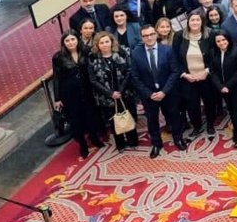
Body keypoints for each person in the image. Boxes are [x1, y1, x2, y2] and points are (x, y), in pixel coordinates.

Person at [129, 25, 188, 158]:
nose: (149, 38)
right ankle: (156, 143)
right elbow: (135, 77)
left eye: (151, 34)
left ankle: (178, 138)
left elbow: (174, 71)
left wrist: (164, 91)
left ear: (156, 35)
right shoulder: (136, 53)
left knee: (174, 116)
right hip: (149, 95)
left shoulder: (167, 50)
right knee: (152, 120)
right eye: (145, 36)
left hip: (168, 92)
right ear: (141, 37)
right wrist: (149, 94)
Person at [52, 30, 102, 158]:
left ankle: (94, 137)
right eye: (67, 40)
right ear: (63, 43)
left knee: (91, 115)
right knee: (76, 119)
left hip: (87, 89)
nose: (70, 43)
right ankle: (83, 145)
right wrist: (57, 98)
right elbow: (57, 78)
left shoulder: (86, 51)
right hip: (69, 93)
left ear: (77, 40)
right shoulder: (58, 57)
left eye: (72, 39)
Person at [173, 11, 217, 139]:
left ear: (202, 21)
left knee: (209, 102)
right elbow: (175, 58)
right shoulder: (179, 36)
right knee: (192, 106)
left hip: (206, 77)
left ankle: (210, 125)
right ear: (188, 22)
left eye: (198, 20)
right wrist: (184, 74)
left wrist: (207, 71)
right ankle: (197, 127)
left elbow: (215, 57)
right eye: (192, 20)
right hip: (188, 78)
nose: (195, 23)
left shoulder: (210, 34)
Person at [89, 31, 136, 151]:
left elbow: (130, 70)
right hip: (107, 97)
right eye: (101, 43)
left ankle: (133, 141)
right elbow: (93, 81)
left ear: (111, 42)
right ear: (97, 45)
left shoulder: (120, 53)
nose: (105, 45)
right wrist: (111, 94)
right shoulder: (93, 59)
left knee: (130, 115)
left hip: (125, 92)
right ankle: (121, 144)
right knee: (114, 121)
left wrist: (121, 90)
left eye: (107, 41)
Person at [209, 30, 237, 146]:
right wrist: (220, 86)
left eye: (223, 40)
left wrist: (228, 86)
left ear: (228, 40)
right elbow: (212, 70)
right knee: (231, 110)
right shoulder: (213, 52)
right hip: (222, 88)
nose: (221, 43)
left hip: (236, 87)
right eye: (218, 41)